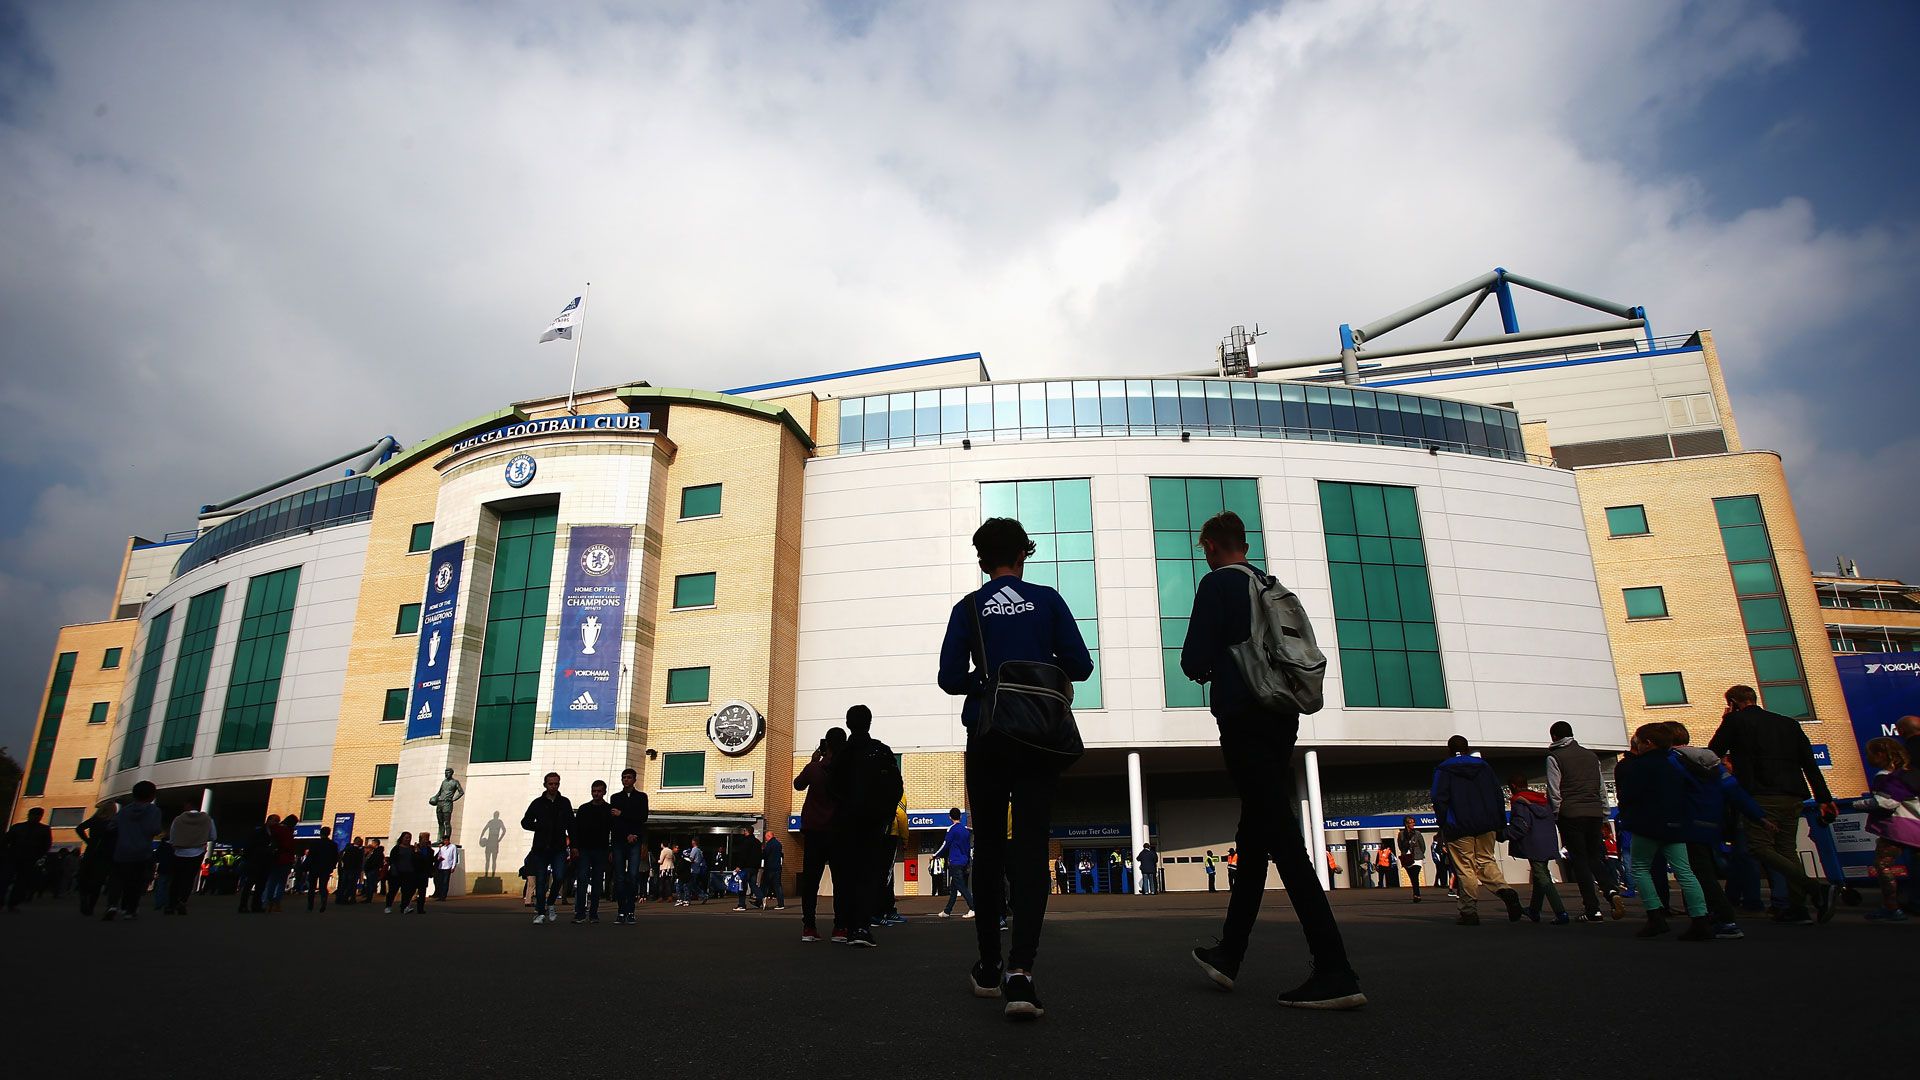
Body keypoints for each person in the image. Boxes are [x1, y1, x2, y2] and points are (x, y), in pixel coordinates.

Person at [1180, 510, 1364, 1010]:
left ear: (1212, 546)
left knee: (1281, 839)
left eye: (1205, 550)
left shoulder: (1217, 585)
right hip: (1282, 716)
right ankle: (1229, 954)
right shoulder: (1268, 584)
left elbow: (1192, 659)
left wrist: (1211, 666)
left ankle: (1335, 969)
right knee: (1255, 834)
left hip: (1243, 718)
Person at [937, 517, 1094, 1018]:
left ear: (982, 560)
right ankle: (1021, 973)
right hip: (1040, 741)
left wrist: (989, 681)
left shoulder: (969, 608)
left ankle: (987, 964)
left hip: (987, 737)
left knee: (987, 847)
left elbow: (947, 679)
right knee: (1031, 849)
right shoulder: (1047, 599)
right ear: (1023, 555)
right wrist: (1035, 666)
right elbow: (1080, 665)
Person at [1708, 684, 1838, 924]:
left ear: (1733, 702)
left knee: (1758, 846)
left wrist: (1726, 721)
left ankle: (1816, 889)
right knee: (1787, 849)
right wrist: (1823, 797)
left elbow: (1713, 751)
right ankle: (1798, 908)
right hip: (1793, 793)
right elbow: (1809, 763)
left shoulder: (1736, 722)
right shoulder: (1788, 723)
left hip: (1760, 793)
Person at [1669, 721, 1770, 940]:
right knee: (1707, 870)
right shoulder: (1712, 762)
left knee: (1698, 874)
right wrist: (1759, 816)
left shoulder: (1671, 762)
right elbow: (1734, 791)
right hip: (1712, 823)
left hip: (1687, 824)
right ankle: (1714, 916)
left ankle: (1722, 919)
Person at [1615, 723, 1713, 940]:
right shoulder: (1676, 763)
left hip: (1647, 824)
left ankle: (1655, 915)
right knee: (1685, 872)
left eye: (1639, 742)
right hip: (1676, 823)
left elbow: (1630, 795)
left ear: (1648, 743)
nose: (1637, 746)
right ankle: (1700, 917)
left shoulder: (1640, 766)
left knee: (1640, 868)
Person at [826, 705, 903, 947]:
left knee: (845, 875)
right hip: (873, 823)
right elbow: (895, 787)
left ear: (848, 724)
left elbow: (831, 787)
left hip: (846, 823)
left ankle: (845, 926)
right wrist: (886, 815)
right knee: (868, 874)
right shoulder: (881, 751)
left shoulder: (842, 753)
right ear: (870, 722)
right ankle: (861, 926)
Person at [1431, 735, 1524, 926]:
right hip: (1485, 823)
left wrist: (1444, 824)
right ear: (1467, 748)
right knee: (1485, 860)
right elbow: (1498, 795)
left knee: (1465, 868)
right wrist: (1499, 823)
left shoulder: (1444, 769)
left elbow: (1439, 799)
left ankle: (1469, 911)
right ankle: (1504, 890)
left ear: (1449, 750)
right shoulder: (1484, 767)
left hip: (1458, 825)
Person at [1546, 721, 1625, 922]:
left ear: (1554, 736)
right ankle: (1611, 891)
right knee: (1595, 857)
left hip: (1571, 813)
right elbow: (1601, 788)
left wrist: (1557, 814)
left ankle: (1592, 908)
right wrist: (1605, 814)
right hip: (1594, 813)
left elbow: (1554, 790)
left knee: (1579, 861)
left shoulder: (1554, 757)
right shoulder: (1591, 756)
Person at [794, 727, 844, 941]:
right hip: (839, 832)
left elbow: (797, 785)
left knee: (811, 881)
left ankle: (809, 927)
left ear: (827, 746)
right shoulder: (846, 770)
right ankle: (840, 927)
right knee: (841, 881)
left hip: (814, 831)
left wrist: (814, 761)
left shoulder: (814, 769)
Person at [1861, 737, 1919, 922]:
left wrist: (1859, 804)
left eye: (1869, 753)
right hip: (1917, 826)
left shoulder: (1886, 777)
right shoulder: (1912, 773)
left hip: (1899, 829)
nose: (1867, 757)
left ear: (1880, 755)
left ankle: (1891, 907)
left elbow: (1886, 802)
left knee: (1883, 865)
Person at [1505, 776, 1566, 924]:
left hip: (1532, 844)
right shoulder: (1543, 800)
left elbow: (1520, 826)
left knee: (1543, 878)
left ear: (1513, 786)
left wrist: (1501, 834)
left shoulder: (1519, 802)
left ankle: (1561, 912)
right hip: (1547, 842)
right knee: (1540, 876)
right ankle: (1534, 910)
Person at [106, 781, 163, 920]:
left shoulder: (124, 811)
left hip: (122, 850)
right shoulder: (154, 811)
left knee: (117, 879)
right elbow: (155, 829)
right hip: (142, 851)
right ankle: (130, 910)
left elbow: (111, 826)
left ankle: (112, 905)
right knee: (136, 881)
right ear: (151, 795)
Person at [521, 772, 573, 924]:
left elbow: (571, 823)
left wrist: (574, 844)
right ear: (545, 784)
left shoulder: (564, 802)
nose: (553, 786)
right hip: (541, 847)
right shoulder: (537, 803)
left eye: (556, 783)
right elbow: (525, 822)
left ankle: (550, 902)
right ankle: (540, 911)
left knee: (559, 876)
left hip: (558, 846)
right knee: (541, 879)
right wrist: (540, 826)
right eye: (551, 784)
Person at [610, 767, 649, 924]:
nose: (626, 780)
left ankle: (630, 911)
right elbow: (615, 821)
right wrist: (626, 832)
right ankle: (620, 911)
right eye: (624, 777)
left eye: (629, 777)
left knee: (633, 876)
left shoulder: (641, 797)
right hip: (620, 841)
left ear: (634, 780)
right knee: (619, 877)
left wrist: (624, 815)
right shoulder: (615, 797)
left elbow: (642, 817)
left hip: (635, 840)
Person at [158, 803, 214, 916]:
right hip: (197, 852)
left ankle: (171, 905)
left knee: (176, 879)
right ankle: (182, 901)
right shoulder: (208, 820)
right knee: (189, 879)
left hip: (179, 852)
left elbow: (172, 837)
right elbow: (213, 836)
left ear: (186, 807)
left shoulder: (178, 820)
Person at [571, 781, 613, 924]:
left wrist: (610, 849)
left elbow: (613, 831)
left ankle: (594, 913)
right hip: (584, 850)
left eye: (599, 791)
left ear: (604, 792)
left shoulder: (608, 810)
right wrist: (574, 847)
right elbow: (575, 829)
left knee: (596, 883)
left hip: (601, 850)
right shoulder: (583, 809)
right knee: (582, 881)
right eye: (594, 791)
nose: (596, 793)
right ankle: (580, 913)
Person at [5, 808, 52, 911]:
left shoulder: (42, 829)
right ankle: (10, 903)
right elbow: (6, 841)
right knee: (9, 880)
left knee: (19, 881)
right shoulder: (18, 827)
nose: (36, 817)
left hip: (26, 858)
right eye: (34, 815)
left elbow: (46, 845)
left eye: (38, 815)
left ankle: (12, 903)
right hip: (15, 857)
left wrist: (38, 856)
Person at [74, 804, 117, 917]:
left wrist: (88, 840)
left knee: (84, 876)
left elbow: (79, 828)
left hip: (91, 851)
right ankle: (91, 906)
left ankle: (84, 897)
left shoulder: (95, 820)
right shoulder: (113, 823)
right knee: (98, 881)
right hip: (105, 854)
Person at [934, 808, 975, 918]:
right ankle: (947, 911)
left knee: (961, 887)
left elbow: (945, 844)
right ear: (960, 817)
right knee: (954, 888)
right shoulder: (965, 830)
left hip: (955, 862)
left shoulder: (951, 829)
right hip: (964, 861)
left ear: (950, 817)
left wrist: (935, 855)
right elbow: (967, 848)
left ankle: (973, 907)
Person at [267, 813, 298, 912]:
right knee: (281, 882)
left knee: (272, 881)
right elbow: (290, 846)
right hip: (285, 859)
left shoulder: (276, 829)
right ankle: (277, 903)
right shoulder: (288, 832)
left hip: (276, 859)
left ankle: (268, 902)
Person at [303, 827, 339, 912]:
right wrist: (332, 867)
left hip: (314, 867)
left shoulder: (315, 843)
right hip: (325, 868)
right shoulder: (333, 844)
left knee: (312, 887)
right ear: (329, 833)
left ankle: (310, 905)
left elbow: (310, 856)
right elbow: (335, 857)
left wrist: (305, 866)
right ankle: (323, 903)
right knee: (323, 886)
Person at [729, 825, 764, 912]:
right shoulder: (757, 842)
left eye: (744, 831)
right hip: (754, 867)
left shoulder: (745, 842)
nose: (744, 832)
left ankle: (741, 905)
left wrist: (739, 866)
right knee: (753, 885)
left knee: (742, 886)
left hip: (746, 867)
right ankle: (761, 897)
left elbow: (743, 855)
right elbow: (760, 855)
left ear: (747, 831)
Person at [387, 832, 419, 914]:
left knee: (406, 891)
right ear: (402, 838)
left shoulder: (412, 848)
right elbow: (392, 860)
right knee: (393, 890)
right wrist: (394, 870)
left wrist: (416, 851)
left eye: (409, 838)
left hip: (408, 873)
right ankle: (388, 906)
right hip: (397, 873)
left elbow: (416, 860)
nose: (408, 839)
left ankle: (404, 907)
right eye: (406, 837)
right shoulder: (397, 848)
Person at [1395, 820, 1425, 902]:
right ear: (1406, 824)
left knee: (1415, 875)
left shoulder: (1417, 833)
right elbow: (1400, 845)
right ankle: (1416, 893)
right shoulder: (1401, 834)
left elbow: (1423, 846)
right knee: (1412, 877)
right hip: (1407, 857)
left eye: (1413, 822)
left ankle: (1417, 895)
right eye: (1410, 822)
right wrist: (1404, 852)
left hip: (1417, 857)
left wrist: (1420, 853)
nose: (1413, 824)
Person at [761, 829, 785, 911]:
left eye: (766, 837)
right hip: (777, 867)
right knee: (778, 886)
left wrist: (762, 851)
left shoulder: (769, 844)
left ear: (769, 836)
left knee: (765, 885)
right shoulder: (778, 844)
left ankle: (761, 900)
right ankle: (781, 903)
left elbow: (765, 854)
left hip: (770, 868)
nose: (766, 839)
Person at [337, 838, 365, 905]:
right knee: (352, 884)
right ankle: (348, 898)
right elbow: (360, 861)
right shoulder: (359, 851)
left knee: (343, 884)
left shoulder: (347, 850)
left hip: (346, 869)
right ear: (360, 843)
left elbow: (342, 858)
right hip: (354, 870)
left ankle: (340, 899)